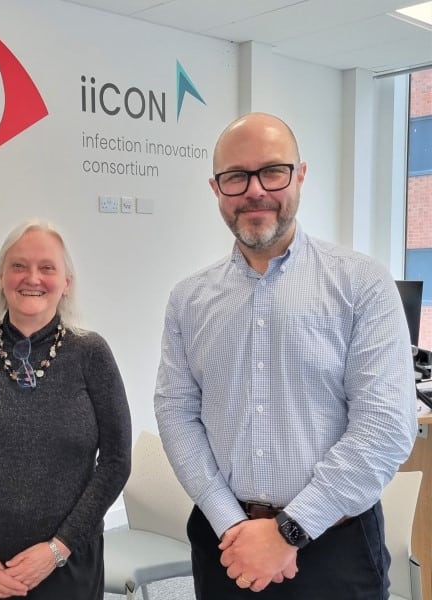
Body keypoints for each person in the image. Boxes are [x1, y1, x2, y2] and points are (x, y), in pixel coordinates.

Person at [154, 112, 417, 599]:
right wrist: (231, 525)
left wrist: (289, 530)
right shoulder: (189, 299)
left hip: (334, 546)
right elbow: (175, 413)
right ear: (216, 189)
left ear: (300, 175)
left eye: (272, 171)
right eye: (236, 176)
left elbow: (384, 425)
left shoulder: (361, 284)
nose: (255, 190)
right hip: (224, 544)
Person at [0, 219, 131, 599]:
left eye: (47, 268)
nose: (32, 278)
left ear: (66, 282)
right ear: (1, 276)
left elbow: (116, 460)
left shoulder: (91, 354)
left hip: (68, 561)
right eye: (19, 266)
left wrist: (58, 549)